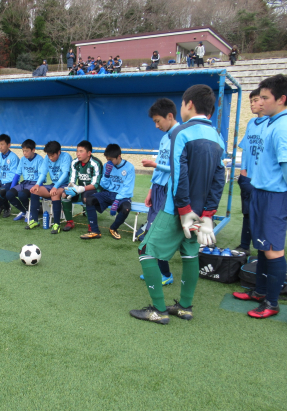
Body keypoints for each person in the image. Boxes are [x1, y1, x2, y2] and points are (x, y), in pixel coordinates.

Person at [131, 84, 225, 324]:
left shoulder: (181, 132)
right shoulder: (217, 137)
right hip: (200, 213)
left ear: (189, 104)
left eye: (182, 104)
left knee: (145, 252)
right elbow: (218, 180)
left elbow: (179, 174)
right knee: (190, 254)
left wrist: (184, 211)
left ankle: (159, 310)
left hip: (178, 210)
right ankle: (184, 307)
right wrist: (207, 215)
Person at [232, 74, 287, 319]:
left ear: (281, 99)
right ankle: (260, 292)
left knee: (273, 250)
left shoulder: (284, 128)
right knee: (262, 248)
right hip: (260, 192)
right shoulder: (270, 123)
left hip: (275, 197)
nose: (260, 102)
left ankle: (272, 303)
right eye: (259, 97)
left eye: (265, 98)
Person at [139, 98, 181, 286]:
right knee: (150, 229)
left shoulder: (180, 136)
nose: (156, 125)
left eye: (158, 121)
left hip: (168, 191)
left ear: (170, 116)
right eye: (154, 121)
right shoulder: (165, 137)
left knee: (159, 233)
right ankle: (155, 270)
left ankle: (166, 274)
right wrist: (150, 189)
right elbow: (160, 169)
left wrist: (155, 164)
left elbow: (178, 168)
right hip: (157, 189)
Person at [233, 88, 268, 256]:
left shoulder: (272, 123)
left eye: (255, 100)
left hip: (263, 180)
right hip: (247, 178)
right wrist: (243, 172)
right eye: (251, 101)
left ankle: (264, 247)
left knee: (263, 215)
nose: (252, 104)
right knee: (247, 213)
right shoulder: (251, 124)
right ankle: (244, 246)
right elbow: (246, 149)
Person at [80, 144, 135, 240]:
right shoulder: (107, 166)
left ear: (119, 156)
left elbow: (127, 188)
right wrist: (106, 175)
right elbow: (104, 185)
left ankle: (113, 228)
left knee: (126, 208)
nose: (108, 162)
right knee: (89, 200)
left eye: (111, 160)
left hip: (122, 196)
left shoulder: (129, 167)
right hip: (108, 193)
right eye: (107, 159)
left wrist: (117, 200)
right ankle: (95, 231)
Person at [25, 141, 72, 231]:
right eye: (49, 155)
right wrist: (37, 185)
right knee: (34, 191)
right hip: (53, 185)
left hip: (65, 185)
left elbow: (65, 174)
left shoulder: (66, 157)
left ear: (59, 152)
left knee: (54, 193)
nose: (50, 158)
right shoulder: (47, 157)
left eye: (52, 156)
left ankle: (56, 224)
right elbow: (43, 173)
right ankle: (35, 220)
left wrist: (56, 187)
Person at [62, 140, 103, 232]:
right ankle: (69, 221)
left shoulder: (95, 163)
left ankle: (91, 225)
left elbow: (95, 185)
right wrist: (71, 187)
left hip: (94, 191)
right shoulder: (74, 162)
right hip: (79, 189)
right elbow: (72, 180)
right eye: (77, 151)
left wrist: (80, 189)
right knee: (64, 194)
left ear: (89, 153)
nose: (78, 154)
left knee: (86, 198)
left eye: (81, 151)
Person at [6, 139, 46, 221]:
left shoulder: (39, 159)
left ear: (33, 150)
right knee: (9, 194)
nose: (24, 153)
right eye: (23, 151)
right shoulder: (23, 159)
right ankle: (24, 211)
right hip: (24, 183)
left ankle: (31, 212)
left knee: (22, 195)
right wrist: (12, 187)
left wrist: (39, 188)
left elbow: (42, 176)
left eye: (27, 151)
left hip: (35, 183)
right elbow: (17, 174)